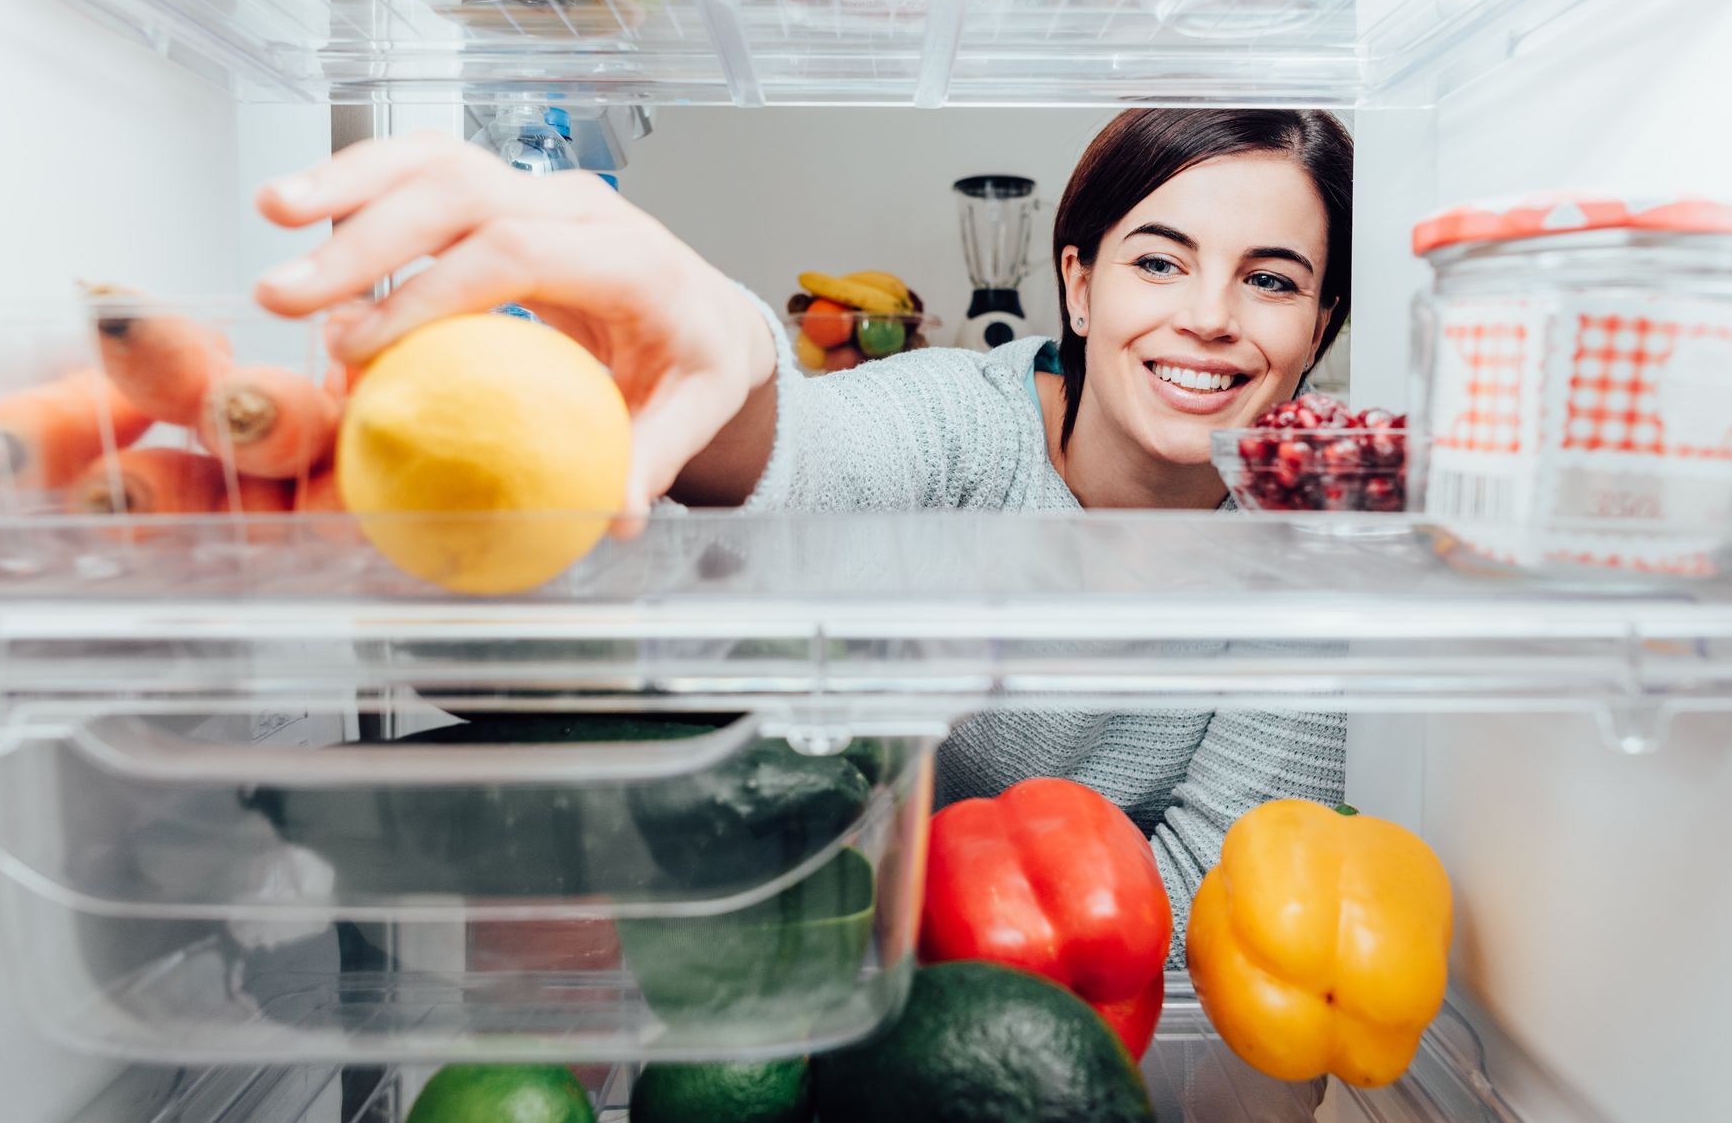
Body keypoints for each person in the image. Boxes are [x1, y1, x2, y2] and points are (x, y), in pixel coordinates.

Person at [255, 107, 1352, 963]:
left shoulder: (1307, 554)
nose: (1210, 315)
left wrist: (956, 936)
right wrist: (724, 350)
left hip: (1067, 1002)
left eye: (1270, 280)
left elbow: (1232, 893)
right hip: (824, 946)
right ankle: (280, 834)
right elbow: (813, 457)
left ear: (1318, 332)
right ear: (1076, 283)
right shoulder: (965, 418)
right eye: (1158, 261)